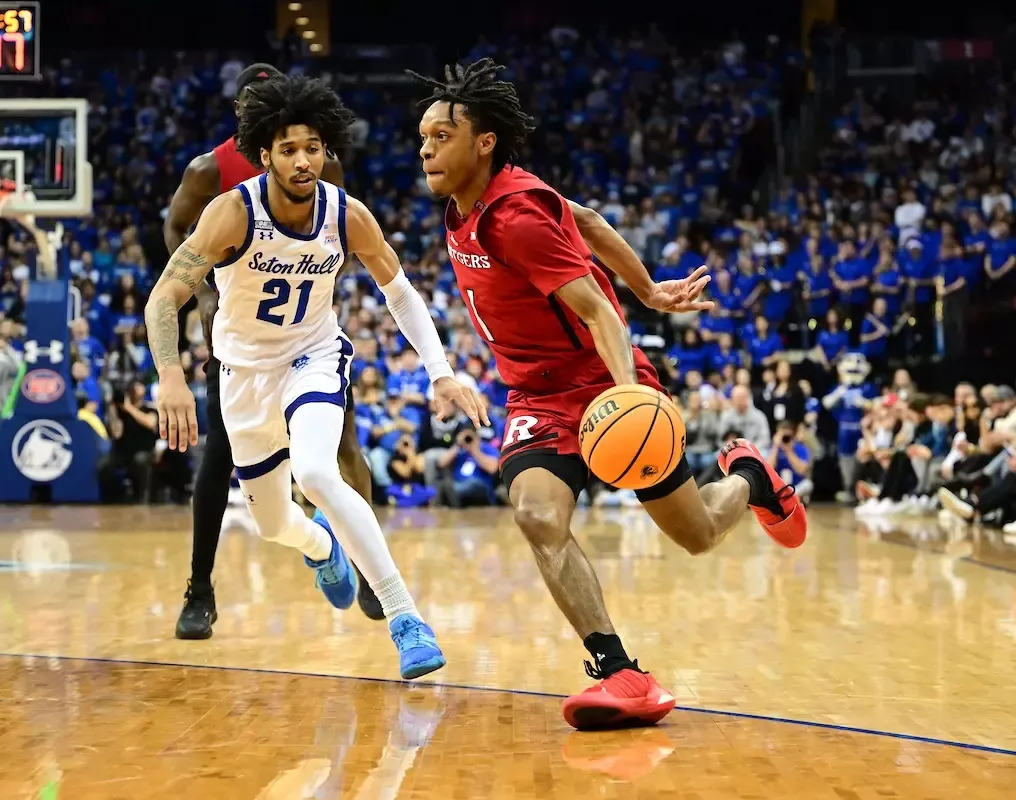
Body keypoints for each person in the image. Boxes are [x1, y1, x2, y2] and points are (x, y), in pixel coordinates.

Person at [410, 58, 807, 729]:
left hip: (602, 381)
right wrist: (648, 288)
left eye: (441, 136)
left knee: (699, 535)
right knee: (537, 516)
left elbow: (598, 312)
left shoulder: (515, 218)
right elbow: (587, 218)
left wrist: (627, 393)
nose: (425, 149)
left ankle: (749, 478)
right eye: (422, 137)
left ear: (484, 143)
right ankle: (621, 672)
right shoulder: (465, 205)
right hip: (535, 398)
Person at [147, 74, 487, 680]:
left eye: (312, 148)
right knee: (275, 523)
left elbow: (400, 292)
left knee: (316, 470)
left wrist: (441, 372)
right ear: (265, 155)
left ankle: (405, 617)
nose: (303, 161)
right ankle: (324, 546)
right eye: (288, 150)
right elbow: (163, 296)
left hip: (313, 356)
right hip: (242, 374)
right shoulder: (231, 212)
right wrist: (170, 375)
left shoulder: (346, 214)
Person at [163, 63, 383, 637]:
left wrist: (320, 277)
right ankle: (200, 588)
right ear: (243, 115)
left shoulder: (319, 164)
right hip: (240, 343)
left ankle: (369, 566)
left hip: (307, 338)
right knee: (218, 459)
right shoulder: (209, 171)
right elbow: (175, 230)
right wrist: (206, 289)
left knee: (345, 447)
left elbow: (341, 230)